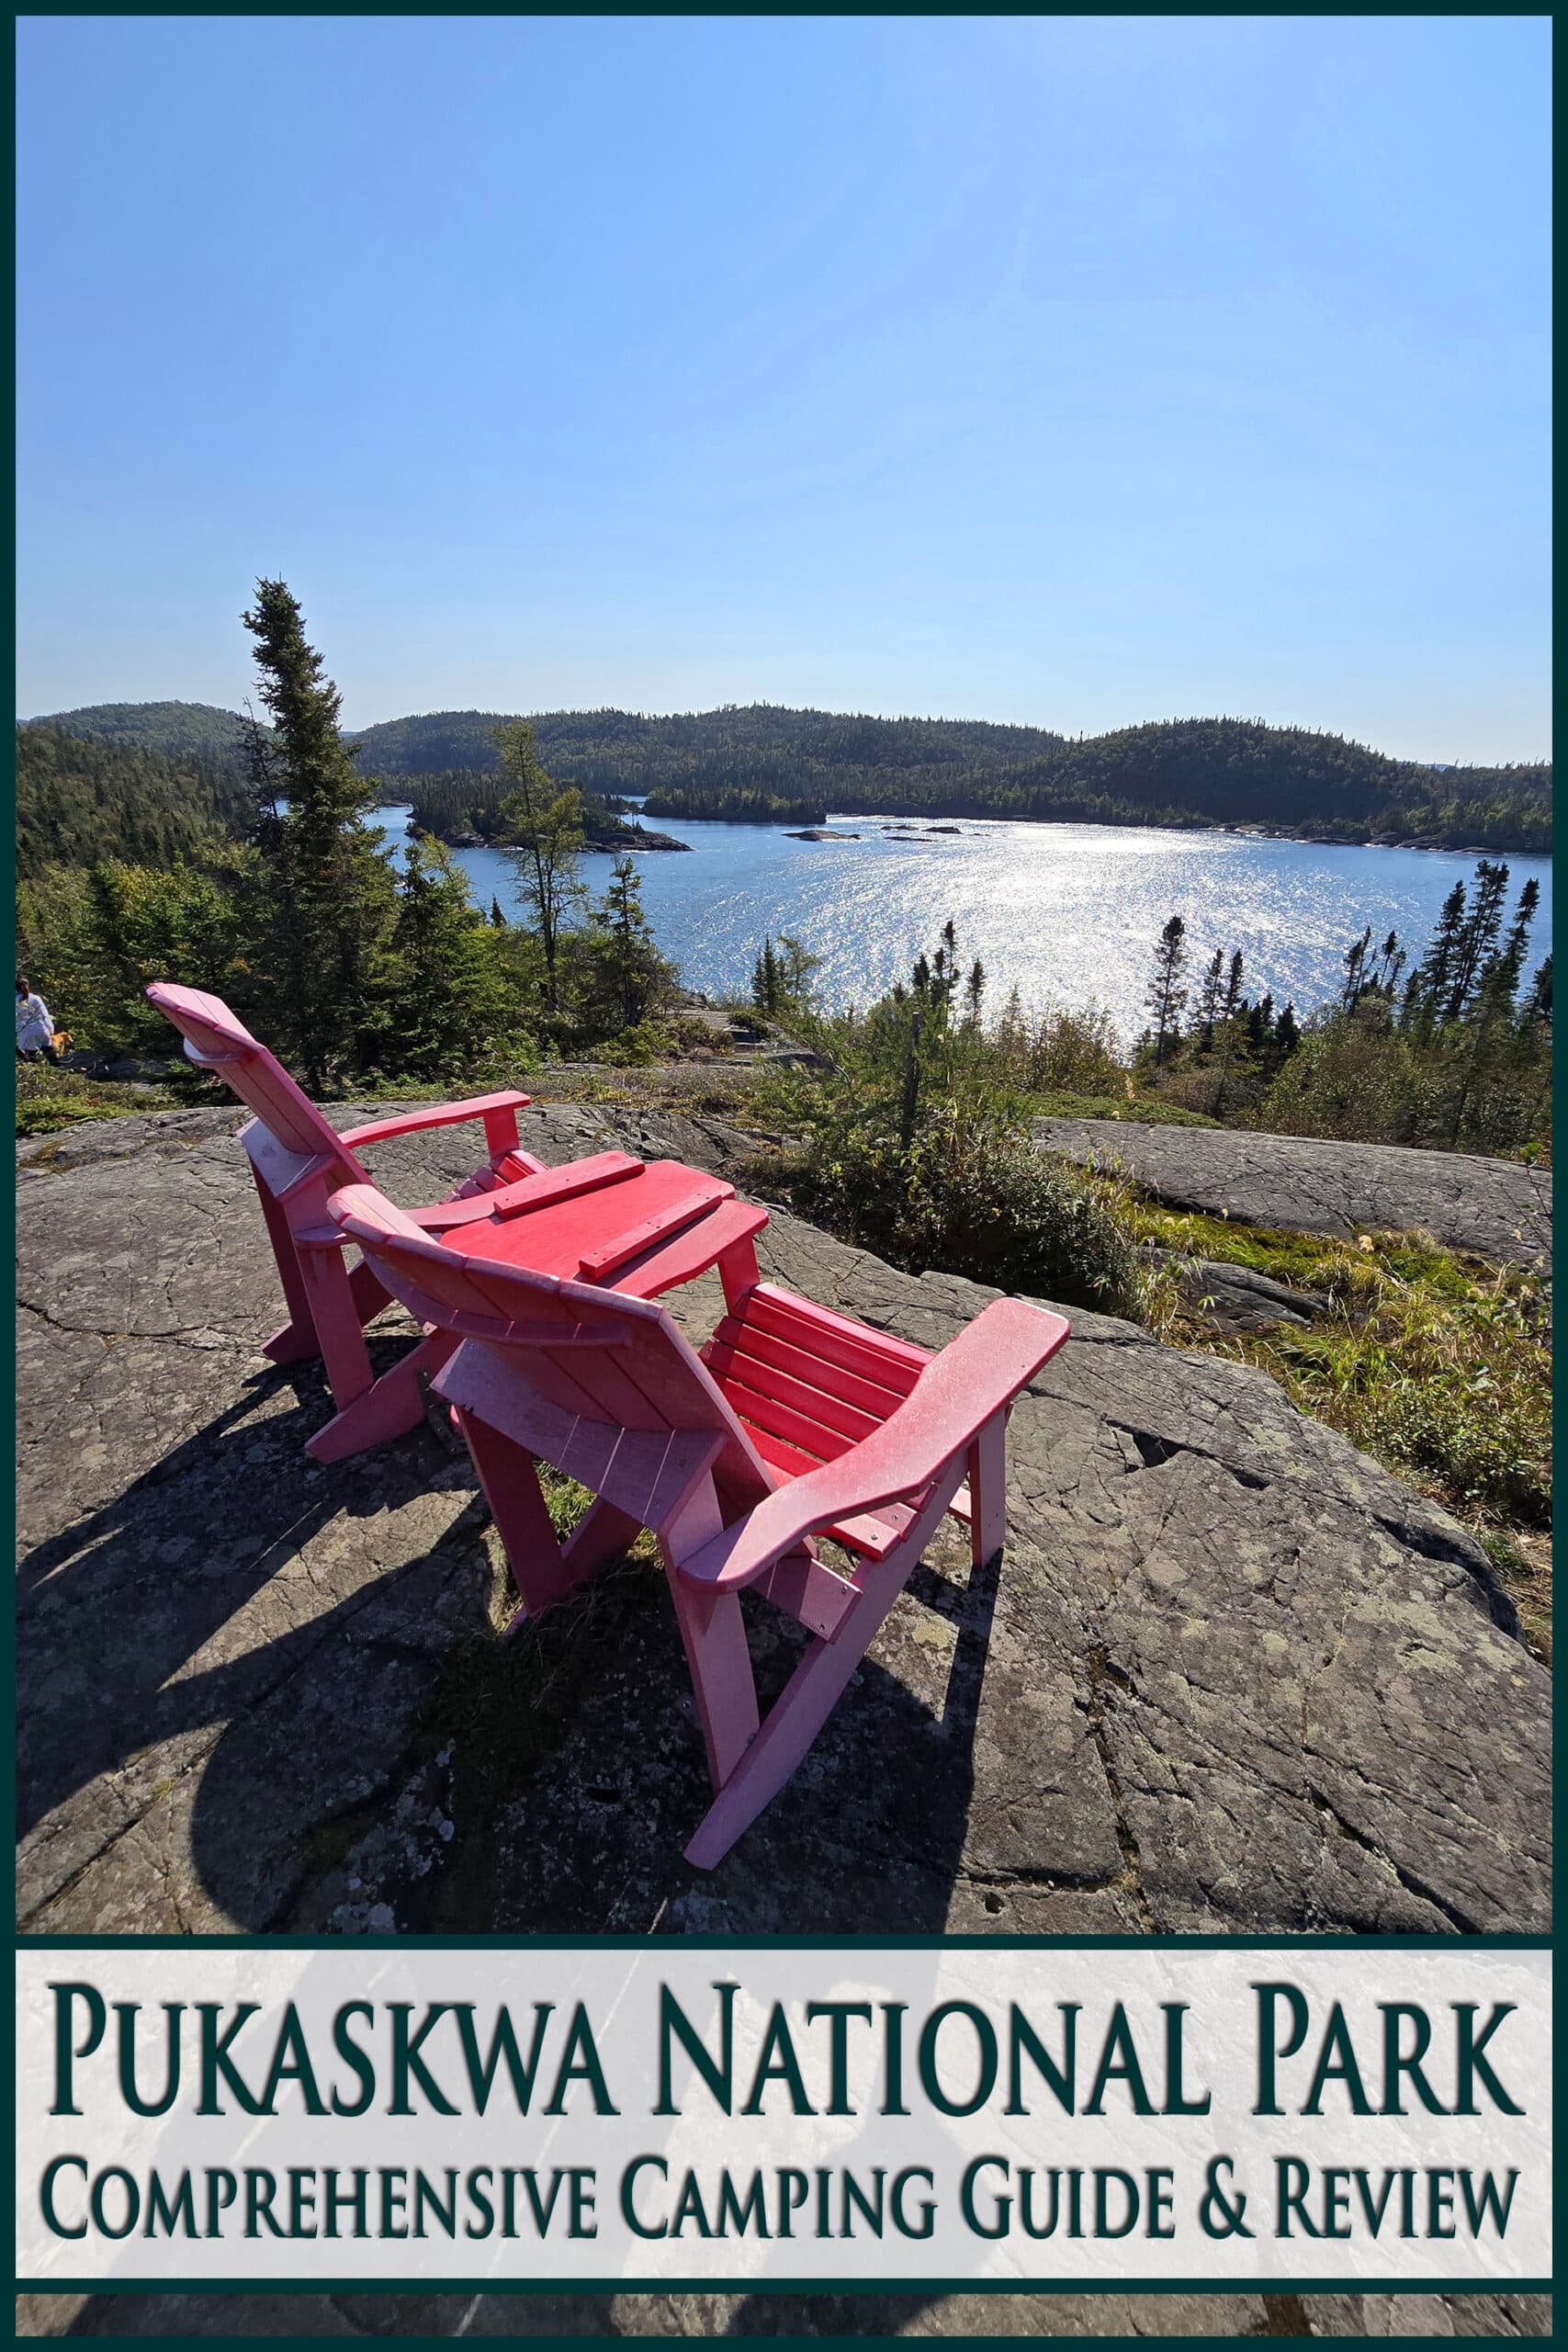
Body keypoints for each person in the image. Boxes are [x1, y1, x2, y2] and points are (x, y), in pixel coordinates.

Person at [16, 976, 60, 1064]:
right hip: (42, 1030)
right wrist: (51, 1028)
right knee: (49, 1052)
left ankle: (36, 1073)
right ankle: (60, 1070)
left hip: (26, 1034)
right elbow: (45, 1015)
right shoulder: (36, 998)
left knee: (30, 1058)